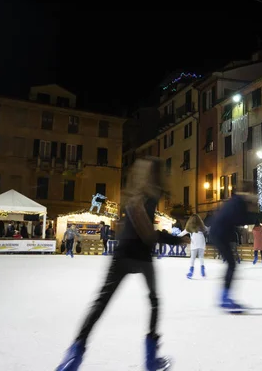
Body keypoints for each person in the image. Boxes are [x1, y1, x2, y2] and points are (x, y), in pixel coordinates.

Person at [55, 157, 186, 371]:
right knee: (153, 301)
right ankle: (151, 360)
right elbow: (146, 231)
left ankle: (74, 355)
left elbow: (140, 224)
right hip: (140, 254)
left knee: (102, 302)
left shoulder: (136, 194)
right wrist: (172, 238)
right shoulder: (148, 195)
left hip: (124, 252)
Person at [210, 180, 255, 313]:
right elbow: (239, 219)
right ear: (249, 191)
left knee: (232, 264)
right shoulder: (239, 202)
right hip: (220, 234)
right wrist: (250, 207)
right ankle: (224, 298)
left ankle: (225, 297)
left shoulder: (234, 200)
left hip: (218, 233)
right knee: (232, 264)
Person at [179, 214, 208, 279]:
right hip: (201, 242)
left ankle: (191, 271)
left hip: (194, 242)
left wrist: (175, 237)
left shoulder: (189, 227)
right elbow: (207, 230)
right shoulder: (202, 226)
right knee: (201, 257)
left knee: (193, 258)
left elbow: (182, 233)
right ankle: (202, 269)